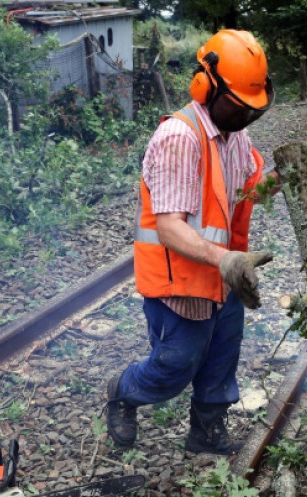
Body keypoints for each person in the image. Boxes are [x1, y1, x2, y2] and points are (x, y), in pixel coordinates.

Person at [106, 29, 277, 454]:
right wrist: (226, 261)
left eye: (250, 111)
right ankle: (123, 391)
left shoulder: (235, 136)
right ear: (207, 86)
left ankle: (206, 430)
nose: (244, 118)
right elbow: (169, 227)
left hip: (223, 275)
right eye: (238, 107)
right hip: (180, 281)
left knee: (221, 360)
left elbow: (243, 192)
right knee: (174, 367)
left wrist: (282, 180)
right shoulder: (179, 138)